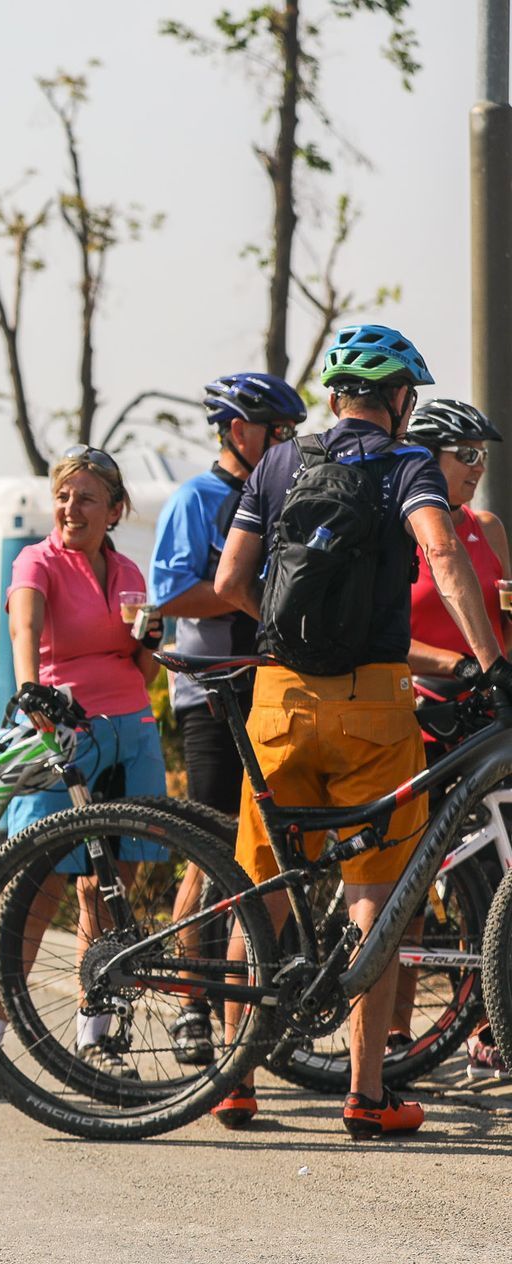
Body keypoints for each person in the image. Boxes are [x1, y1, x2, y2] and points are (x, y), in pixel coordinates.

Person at [213, 324, 508, 1136]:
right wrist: (487, 658)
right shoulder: (409, 464)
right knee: (376, 895)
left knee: (262, 891)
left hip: (277, 699)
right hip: (376, 706)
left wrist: (285, 635)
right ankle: (367, 1093)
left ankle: (236, 1081)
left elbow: (231, 580)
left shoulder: (277, 462)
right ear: (401, 400)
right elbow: (442, 554)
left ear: (338, 394)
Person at [0, 446, 167, 1096]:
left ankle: (95, 1034)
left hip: (130, 732)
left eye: (84, 497)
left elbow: (141, 665)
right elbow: (25, 627)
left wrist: (152, 645)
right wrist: (31, 691)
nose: (70, 508)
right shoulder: (36, 560)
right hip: (62, 731)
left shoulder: (128, 568)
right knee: (35, 885)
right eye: (63, 495)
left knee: (108, 891)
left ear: (115, 509)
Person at [148, 373, 306, 1067]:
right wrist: (254, 594)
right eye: (279, 431)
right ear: (239, 431)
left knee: (272, 850)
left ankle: (260, 1003)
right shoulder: (196, 498)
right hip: (214, 699)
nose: (289, 443)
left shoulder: (280, 494)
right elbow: (173, 593)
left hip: (274, 690)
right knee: (210, 852)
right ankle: (191, 1009)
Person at [398, 398, 508, 1084]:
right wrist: (457, 665)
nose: (477, 467)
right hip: (422, 712)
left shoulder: (486, 526)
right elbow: (385, 636)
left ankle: (492, 1028)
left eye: (484, 457)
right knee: (411, 877)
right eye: (466, 454)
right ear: (430, 457)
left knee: (497, 871)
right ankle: (394, 1029)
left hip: (485, 715)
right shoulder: (400, 529)